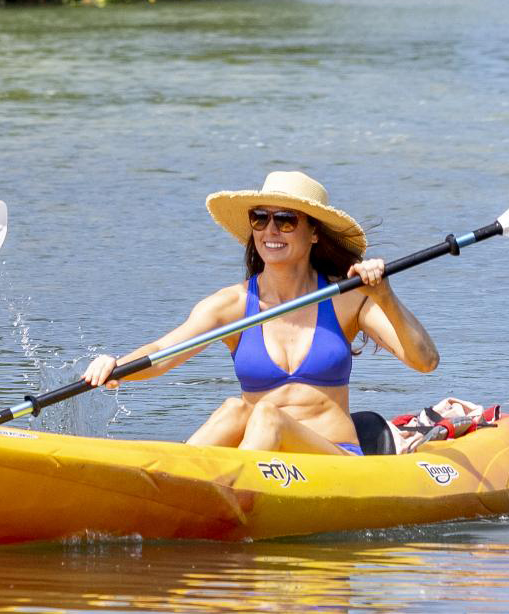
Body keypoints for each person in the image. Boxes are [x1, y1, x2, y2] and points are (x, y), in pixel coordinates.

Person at [77, 173, 437, 454]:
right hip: (261, 459)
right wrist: (116, 366)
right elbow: (161, 354)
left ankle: (220, 493)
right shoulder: (231, 305)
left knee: (267, 415)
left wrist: (384, 295)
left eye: (285, 220)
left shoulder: (348, 299)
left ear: (313, 232)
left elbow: (425, 361)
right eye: (260, 218)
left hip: (332, 458)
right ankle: (166, 482)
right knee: (234, 411)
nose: (270, 231)